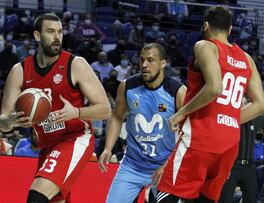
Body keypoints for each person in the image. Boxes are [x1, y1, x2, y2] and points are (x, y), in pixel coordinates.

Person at [0, 13, 111, 203]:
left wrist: (76, 112)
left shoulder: (75, 64)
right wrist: (8, 121)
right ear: (37, 35)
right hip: (48, 146)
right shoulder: (20, 71)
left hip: (75, 138)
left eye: (60, 32)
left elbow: (106, 109)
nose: (57, 37)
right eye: (50, 32)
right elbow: (2, 122)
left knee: (36, 197)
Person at [157, 6, 264, 202]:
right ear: (230, 29)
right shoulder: (247, 59)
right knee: (205, 198)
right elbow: (260, 104)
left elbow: (215, 87)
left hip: (201, 137)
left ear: (205, 25)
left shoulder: (205, 46)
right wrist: (228, 118)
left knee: (165, 192)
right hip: (229, 143)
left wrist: (181, 113)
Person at [98, 43, 186, 203]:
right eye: (142, 60)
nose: (144, 65)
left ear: (163, 63)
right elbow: (117, 115)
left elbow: (188, 134)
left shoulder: (177, 92)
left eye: (150, 60)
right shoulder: (128, 86)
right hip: (132, 165)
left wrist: (167, 165)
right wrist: (108, 148)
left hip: (164, 167)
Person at [218, 96, 263, 203]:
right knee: (224, 199)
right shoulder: (229, 120)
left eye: (244, 101)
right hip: (232, 167)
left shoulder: (256, 118)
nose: (242, 103)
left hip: (249, 167)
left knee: (251, 199)